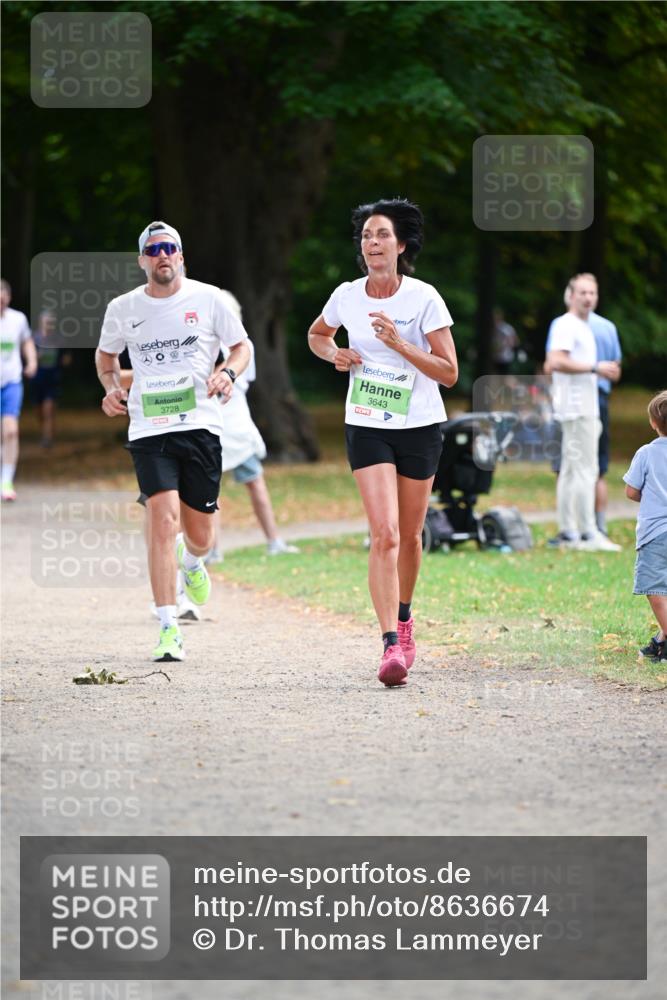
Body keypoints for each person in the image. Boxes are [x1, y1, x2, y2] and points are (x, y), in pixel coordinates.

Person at [308, 198, 458, 687]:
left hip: (418, 425)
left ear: (401, 245)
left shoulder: (424, 298)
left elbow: (450, 373)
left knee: (411, 537)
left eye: (382, 236)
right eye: (367, 236)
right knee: (385, 534)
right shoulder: (347, 295)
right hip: (367, 422)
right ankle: (390, 643)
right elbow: (317, 334)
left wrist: (398, 343)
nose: (373, 243)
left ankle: (406, 617)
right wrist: (335, 353)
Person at [96, 220, 251, 662]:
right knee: (162, 520)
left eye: (170, 248)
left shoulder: (209, 299)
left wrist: (227, 372)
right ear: (143, 260)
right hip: (149, 428)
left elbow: (241, 346)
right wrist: (111, 386)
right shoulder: (123, 307)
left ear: (181, 256)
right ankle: (168, 626)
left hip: (201, 425)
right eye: (154, 249)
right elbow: (106, 355)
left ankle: (192, 560)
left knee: (200, 535)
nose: (162, 255)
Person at [208, 290, 298, 560]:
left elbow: (236, 381)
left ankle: (271, 541)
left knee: (250, 483)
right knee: (214, 490)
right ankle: (214, 549)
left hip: (234, 424)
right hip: (216, 426)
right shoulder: (211, 346)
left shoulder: (238, 348)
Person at [545, 273, 621, 552]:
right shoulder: (567, 325)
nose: (588, 298)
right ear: (570, 295)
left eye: (592, 293)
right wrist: (594, 368)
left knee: (571, 470)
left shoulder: (580, 326)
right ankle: (587, 533)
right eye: (583, 293)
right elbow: (555, 361)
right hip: (577, 408)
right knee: (584, 470)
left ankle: (570, 532)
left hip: (576, 406)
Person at [623, 390, 667, 664]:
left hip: (656, 533)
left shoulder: (647, 453)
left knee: (656, 589)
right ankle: (661, 642)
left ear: (653, 423)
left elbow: (631, 491)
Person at [0, 278, 37, 501]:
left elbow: (27, 341)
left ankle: (6, 480)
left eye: (3, 300)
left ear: (9, 298)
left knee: (11, 431)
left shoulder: (18, 319)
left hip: (11, 382)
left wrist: (31, 361)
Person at [31, 309, 70, 448]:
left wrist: (64, 361)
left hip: (52, 379)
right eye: (47, 322)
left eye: (52, 322)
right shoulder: (33, 338)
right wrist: (35, 358)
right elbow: (26, 358)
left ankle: (47, 438)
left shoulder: (59, 339)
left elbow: (65, 357)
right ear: (41, 322)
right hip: (37, 379)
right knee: (39, 410)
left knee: (48, 409)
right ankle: (45, 432)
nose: (49, 325)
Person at [492, 308, 519, 375]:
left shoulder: (507, 328)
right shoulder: (491, 328)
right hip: (494, 357)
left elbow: (515, 341)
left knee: (505, 377)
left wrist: (503, 346)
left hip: (505, 358)